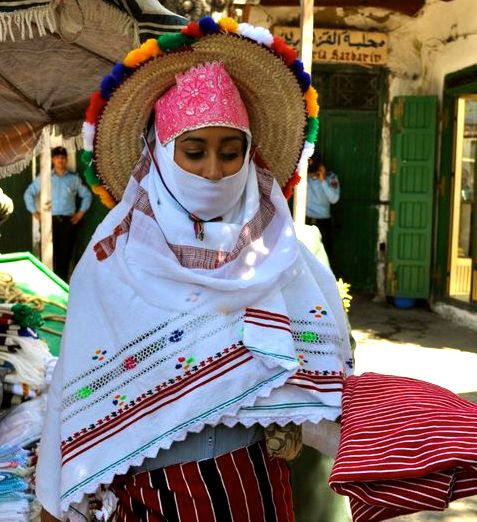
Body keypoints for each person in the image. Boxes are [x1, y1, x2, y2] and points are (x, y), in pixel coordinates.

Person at [36, 19, 352, 522]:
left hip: (253, 487)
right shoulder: (111, 263)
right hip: (148, 491)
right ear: (160, 154)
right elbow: (78, 392)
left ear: (250, 157)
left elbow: (327, 388)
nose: (213, 171)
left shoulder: (284, 259)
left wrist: (291, 415)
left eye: (231, 154)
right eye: (194, 152)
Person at [23, 146, 92, 281]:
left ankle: (62, 285)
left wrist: (80, 214)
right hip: (50, 222)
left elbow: (87, 195)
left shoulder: (73, 179)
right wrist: (34, 212)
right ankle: (48, 284)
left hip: (68, 223)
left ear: (66, 160)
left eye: (62, 157)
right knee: (48, 256)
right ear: (53, 160)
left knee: (64, 257)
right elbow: (28, 194)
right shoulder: (45, 178)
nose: (60, 160)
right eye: (57, 157)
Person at [306, 152, 340, 260]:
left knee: (324, 258)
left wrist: (323, 180)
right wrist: (305, 176)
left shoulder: (331, 178)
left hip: (324, 222)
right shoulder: (303, 178)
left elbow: (334, 199)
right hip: (307, 220)